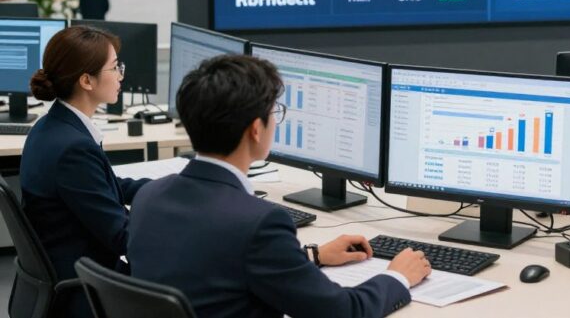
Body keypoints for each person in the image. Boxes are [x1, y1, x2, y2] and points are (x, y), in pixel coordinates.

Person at [128, 55, 430, 318]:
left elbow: (215, 266)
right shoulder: (258, 223)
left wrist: (311, 256)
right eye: (275, 112)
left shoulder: (149, 196)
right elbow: (342, 311)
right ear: (256, 130)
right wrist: (397, 277)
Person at [19, 27, 148, 318]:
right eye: (115, 67)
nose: (120, 75)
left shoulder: (52, 126)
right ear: (87, 80)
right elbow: (122, 237)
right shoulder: (72, 149)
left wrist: (167, 189)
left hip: (69, 267)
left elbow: (108, 186)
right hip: (88, 288)